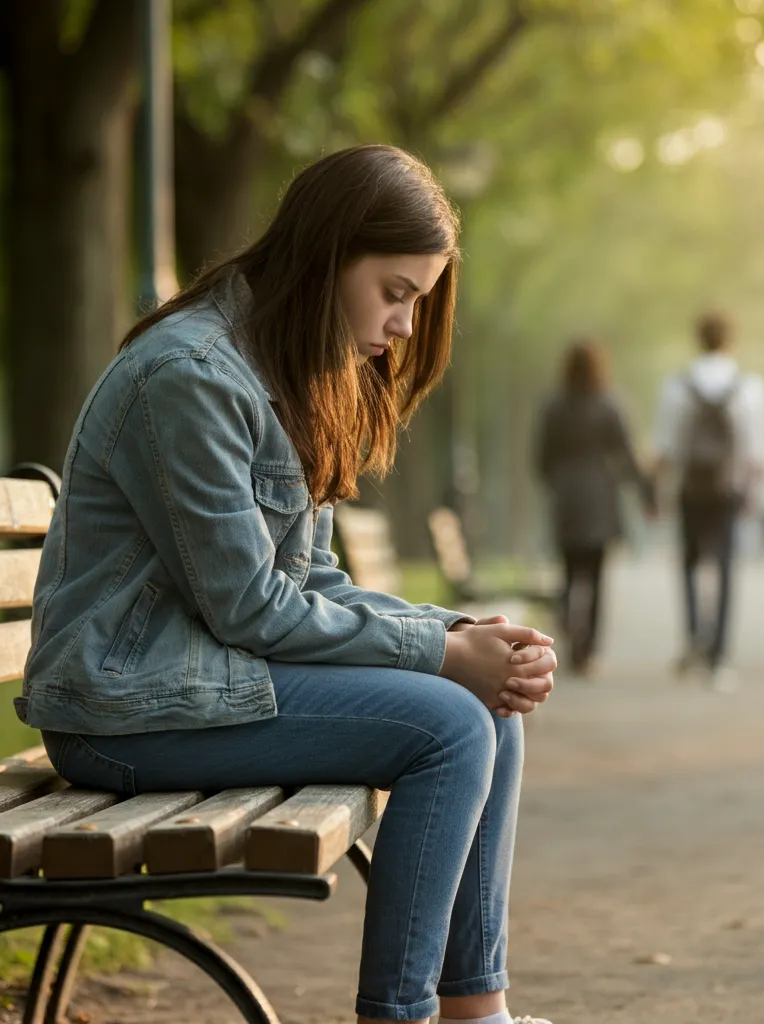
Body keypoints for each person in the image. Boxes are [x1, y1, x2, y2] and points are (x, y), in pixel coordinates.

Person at [17, 145, 557, 1024]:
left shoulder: (284, 369)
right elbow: (250, 606)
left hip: (197, 690)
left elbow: (316, 580)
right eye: (396, 293)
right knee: (453, 724)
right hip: (124, 712)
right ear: (329, 255)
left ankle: (475, 1012)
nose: (406, 328)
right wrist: (439, 654)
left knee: (485, 701)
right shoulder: (188, 377)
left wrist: (460, 633)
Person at [652, 311, 764, 691]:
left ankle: (693, 640)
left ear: (698, 338)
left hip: (691, 487)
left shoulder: (678, 386)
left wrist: (658, 491)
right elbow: (758, 451)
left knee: (689, 564)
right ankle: (720, 657)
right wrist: (754, 493)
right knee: (724, 567)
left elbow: (665, 447)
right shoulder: (750, 387)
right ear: (730, 341)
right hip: (729, 488)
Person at [535, 339, 654, 675]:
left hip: (567, 500)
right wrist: (648, 493)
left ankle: (572, 635)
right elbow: (627, 455)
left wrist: (557, 484)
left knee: (571, 574)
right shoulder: (609, 405)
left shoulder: (553, 407)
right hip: (601, 497)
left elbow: (541, 458)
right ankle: (589, 652)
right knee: (598, 578)